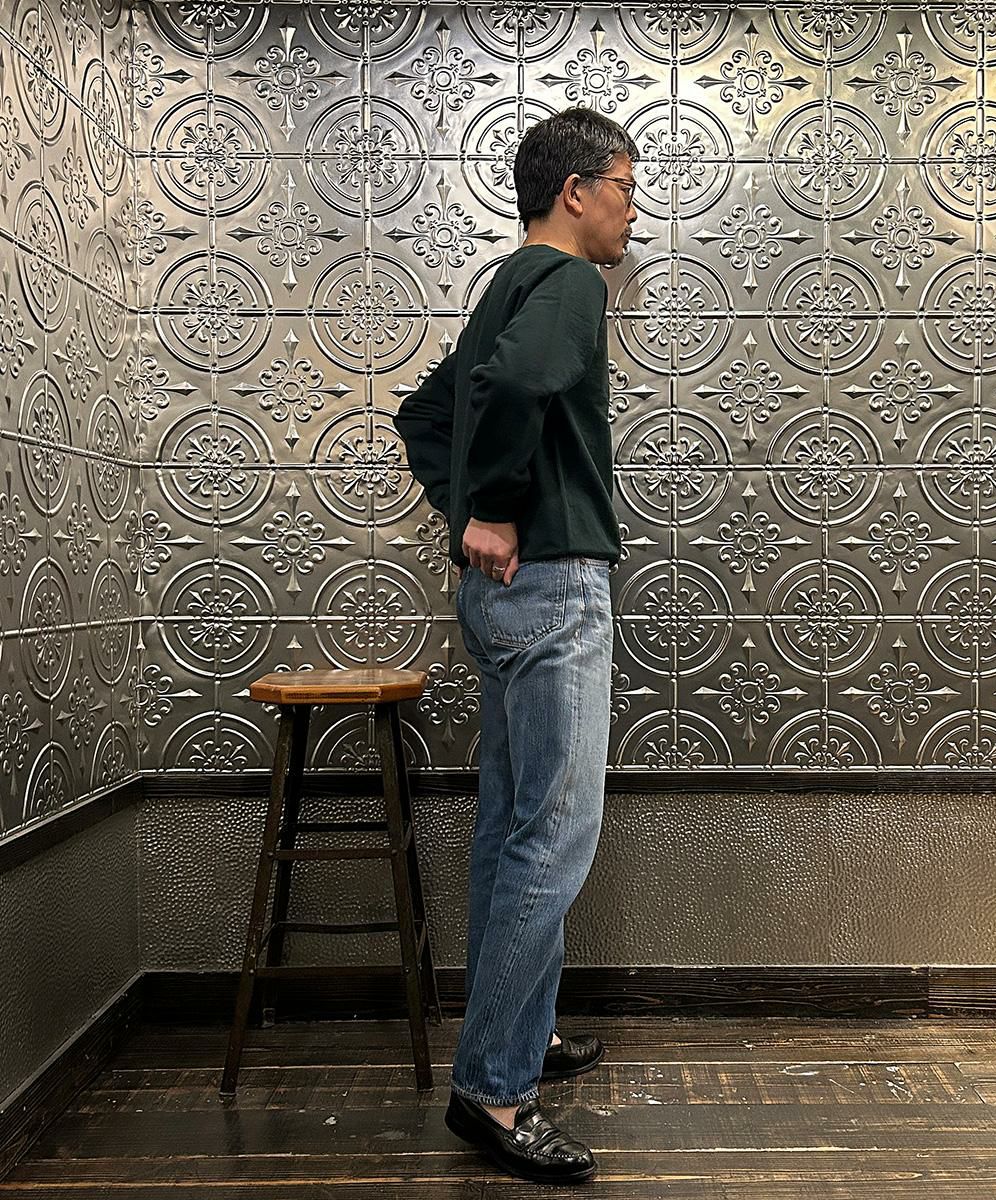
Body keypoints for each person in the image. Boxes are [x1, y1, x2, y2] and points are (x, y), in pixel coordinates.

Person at [392, 107, 638, 1185]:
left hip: (501, 602)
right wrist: (490, 509)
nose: (632, 211)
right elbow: (518, 387)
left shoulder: (504, 285)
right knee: (555, 833)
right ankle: (494, 1088)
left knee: (509, 830)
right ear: (574, 192)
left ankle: (520, 1034)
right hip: (553, 586)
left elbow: (424, 416)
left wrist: (472, 521)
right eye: (624, 188)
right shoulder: (569, 282)